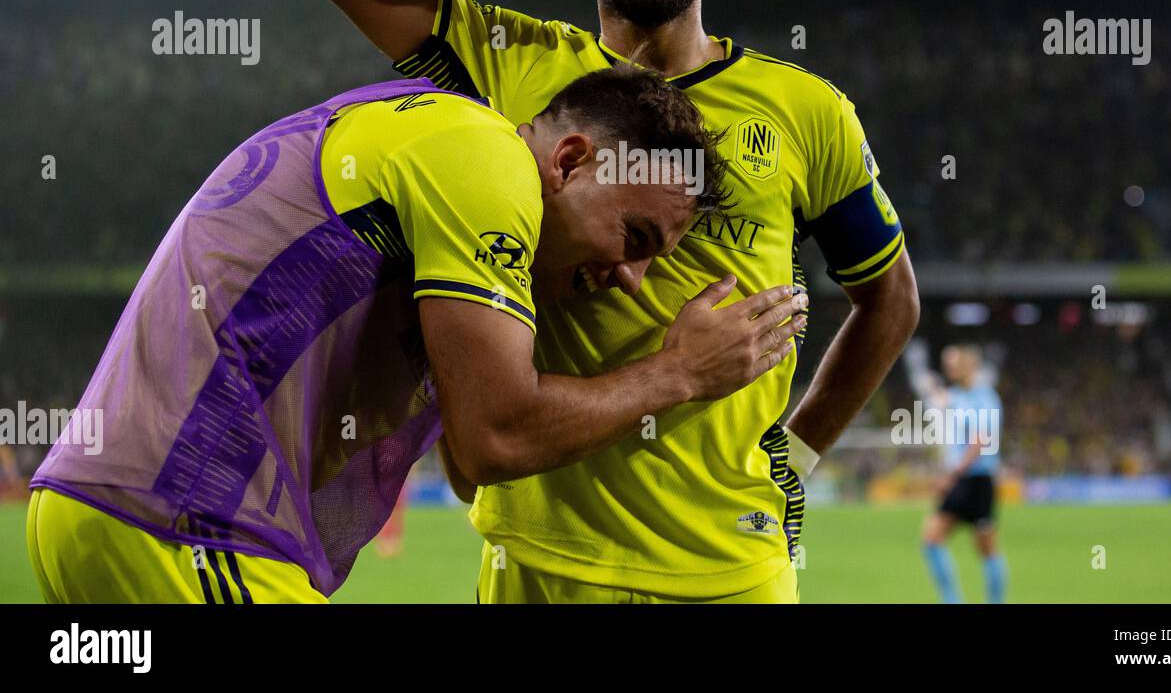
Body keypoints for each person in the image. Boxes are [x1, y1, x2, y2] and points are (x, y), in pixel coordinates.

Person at [293, 0, 920, 603]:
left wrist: (799, 457)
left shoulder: (805, 110)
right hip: (539, 560)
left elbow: (889, 300)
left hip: (731, 571)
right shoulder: (510, 63)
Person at [27, 66, 803, 603]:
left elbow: (470, 469)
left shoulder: (421, 147)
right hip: (186, 524)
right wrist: (681, 374)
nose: (630, 278)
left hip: (118, 517)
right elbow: (497, 435)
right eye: (633, 237)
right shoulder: (487, 159)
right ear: (569, 161)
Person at [909, 342, 1009, 604]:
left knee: (980, 548)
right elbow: (940, 402)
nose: (949, 367)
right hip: (967, 479)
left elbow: (979, 441)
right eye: (946, 362)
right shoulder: (958, 395)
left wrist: (951, 475)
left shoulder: (984, 397)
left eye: (954, 362)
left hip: (975, 479)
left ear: (970, 365)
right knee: (935, 539)